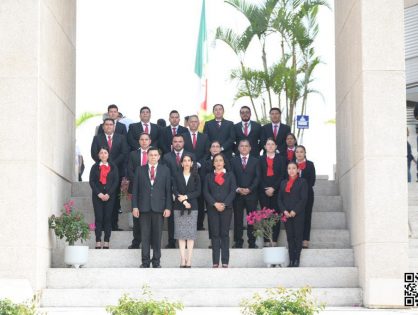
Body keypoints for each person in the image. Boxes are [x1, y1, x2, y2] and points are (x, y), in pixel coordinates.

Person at [132, 147, 172, 268]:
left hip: (159, 208)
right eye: (151, 155)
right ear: (147, 156)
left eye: (155, 155)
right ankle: (145, 262)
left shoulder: (165, 170)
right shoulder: (140, 170)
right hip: (143, 208)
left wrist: (168, 207)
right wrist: (135, 207)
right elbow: (135, 190)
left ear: (159, 157)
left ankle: (156, 262)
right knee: (144, 235)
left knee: (157, 236)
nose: (153, 157)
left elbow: (168, 191)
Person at [91, 118, 128, 231]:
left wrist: (111, 164)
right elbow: (93, 153)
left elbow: (124, 153)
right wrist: (104, 163)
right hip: (100, 173)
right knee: (100, 199)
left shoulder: (121, 138)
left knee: (115, 200)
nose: (108, 126)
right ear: (103, 126)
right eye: (106, 124)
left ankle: (114, 225)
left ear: (114, 126)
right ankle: (101, 225)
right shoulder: (97, 138)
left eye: (111, 124)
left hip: (116, 172)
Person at [204, 153, 237, 268]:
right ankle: (215, 262)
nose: (218, 163)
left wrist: (225, 203)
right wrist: (214, 203)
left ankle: (225, 261)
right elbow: (206, 192)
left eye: (220, 160)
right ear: (213, 163)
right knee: (215, 234)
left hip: (226, 208)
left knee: (224, 234)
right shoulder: (208, 176)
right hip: (213, 208)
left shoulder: (230, 175)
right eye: (216, 161)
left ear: (224, 162)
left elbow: (232, 191)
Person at [162, 134, 195, 248]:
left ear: (183, 143)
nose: (177, 143)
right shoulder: (166, 157)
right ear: (172, 143)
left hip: (187, 192)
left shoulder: (190, 156)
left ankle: (186, 242)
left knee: (186, 217)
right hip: (171, 190)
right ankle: (171, 242)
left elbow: (193, 174)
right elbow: (165, 174)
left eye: (180, 141)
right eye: (175, 141)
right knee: (172, 218)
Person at [172, 154, 201, 268]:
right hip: (179, 207)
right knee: (181, 234)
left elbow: (198, 191)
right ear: (181, 163)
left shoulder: (196, 176)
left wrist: (186, 197)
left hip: (192, 207)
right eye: (185, 160)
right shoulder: (176, 175)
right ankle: (182, 259)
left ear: (192, 163)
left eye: (189, 160)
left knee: (190, 235)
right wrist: (183, 201)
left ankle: (189, 260)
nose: (187, 162)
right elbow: (174, 189)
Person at [182, 115, 210, 230]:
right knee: (188, 198)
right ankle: (187, 223)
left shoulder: (205, 137)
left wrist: (198, 164)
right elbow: (182, 152)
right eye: (191, 122)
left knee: (200, 198)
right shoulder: (183, 137)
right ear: (188, 123)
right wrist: (189, 163)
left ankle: (199, 224)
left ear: (199, 123)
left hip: (201, 171)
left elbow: (207, 153)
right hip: (186, 171)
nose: (193, 123)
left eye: (195, 122)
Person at [231, 139, 260, 248]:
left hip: (251, 194)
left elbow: (257, 177)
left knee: (252, 219)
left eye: (246, 146)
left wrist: (250, 189)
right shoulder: (233, 161)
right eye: (242, 146)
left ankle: (252, 242)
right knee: (238, 219)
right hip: (237, 194)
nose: (244, 148)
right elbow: (231, 177)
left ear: (250, 148)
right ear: (238, 148)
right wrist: (238, 189)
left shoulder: (255, 161)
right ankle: (238, 242)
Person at [278, 161, 308, 267]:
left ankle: (297, 260)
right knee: (290, 237)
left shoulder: (302, 182)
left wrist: (295, 211)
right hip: (286, 214)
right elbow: (279, 199)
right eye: (289, 168)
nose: (291, 170)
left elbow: (303, 199)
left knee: (298, 236)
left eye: (294, 168)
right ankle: (291, 260)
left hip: (298, 213)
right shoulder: (283, 183)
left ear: (298, 170)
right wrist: (284, 211)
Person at [89, 147, 119, 249]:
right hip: (97, 196)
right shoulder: (94, 167)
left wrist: (108, 194)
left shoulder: (113, 167)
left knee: (107, 218)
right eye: (101, 153)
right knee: (99, 218)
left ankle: (106, 241)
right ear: (98, 155)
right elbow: (91, 181)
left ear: (108, 154)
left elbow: (116, 181)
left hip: (110, 196)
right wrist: (99, 194)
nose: (103, 155)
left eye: (105, 153)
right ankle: (98, 240)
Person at [259, 138, 286, 246]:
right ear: (265, 147)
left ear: (275, 146)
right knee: (265, 215)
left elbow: (283, 175)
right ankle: (266, 240)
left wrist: (273, 188)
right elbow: (258, 175)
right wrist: (266, 188)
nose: (270, 146)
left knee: (275, 216)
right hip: (263, 191)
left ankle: (274, 240)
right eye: (268, 144)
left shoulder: (282, 159)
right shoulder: (260, 159)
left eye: (272, 144)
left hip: (277, 191)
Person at [127, 132, 152, 249]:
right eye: (142, 139)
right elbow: (129, 171)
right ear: (139, 141)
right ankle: (136, 242)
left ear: (150, 141)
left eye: (146, 139)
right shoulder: (133, 154)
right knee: (136, 217)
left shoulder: (154, 154)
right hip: (136, 189)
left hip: (152, 191)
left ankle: (150, 242)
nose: (144, 141)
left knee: (150, 217)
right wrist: (139, 182)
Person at [295, 145, 316, 249]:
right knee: (297, 217)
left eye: (301, 152)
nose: (299, 154)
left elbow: (312, 181)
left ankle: (305, 240)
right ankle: (297, 239)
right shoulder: (291, 165)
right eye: (297, 152)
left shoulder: (310, 164)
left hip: (308, 195)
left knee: (307, 217)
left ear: (305, 153)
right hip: (294, 196)